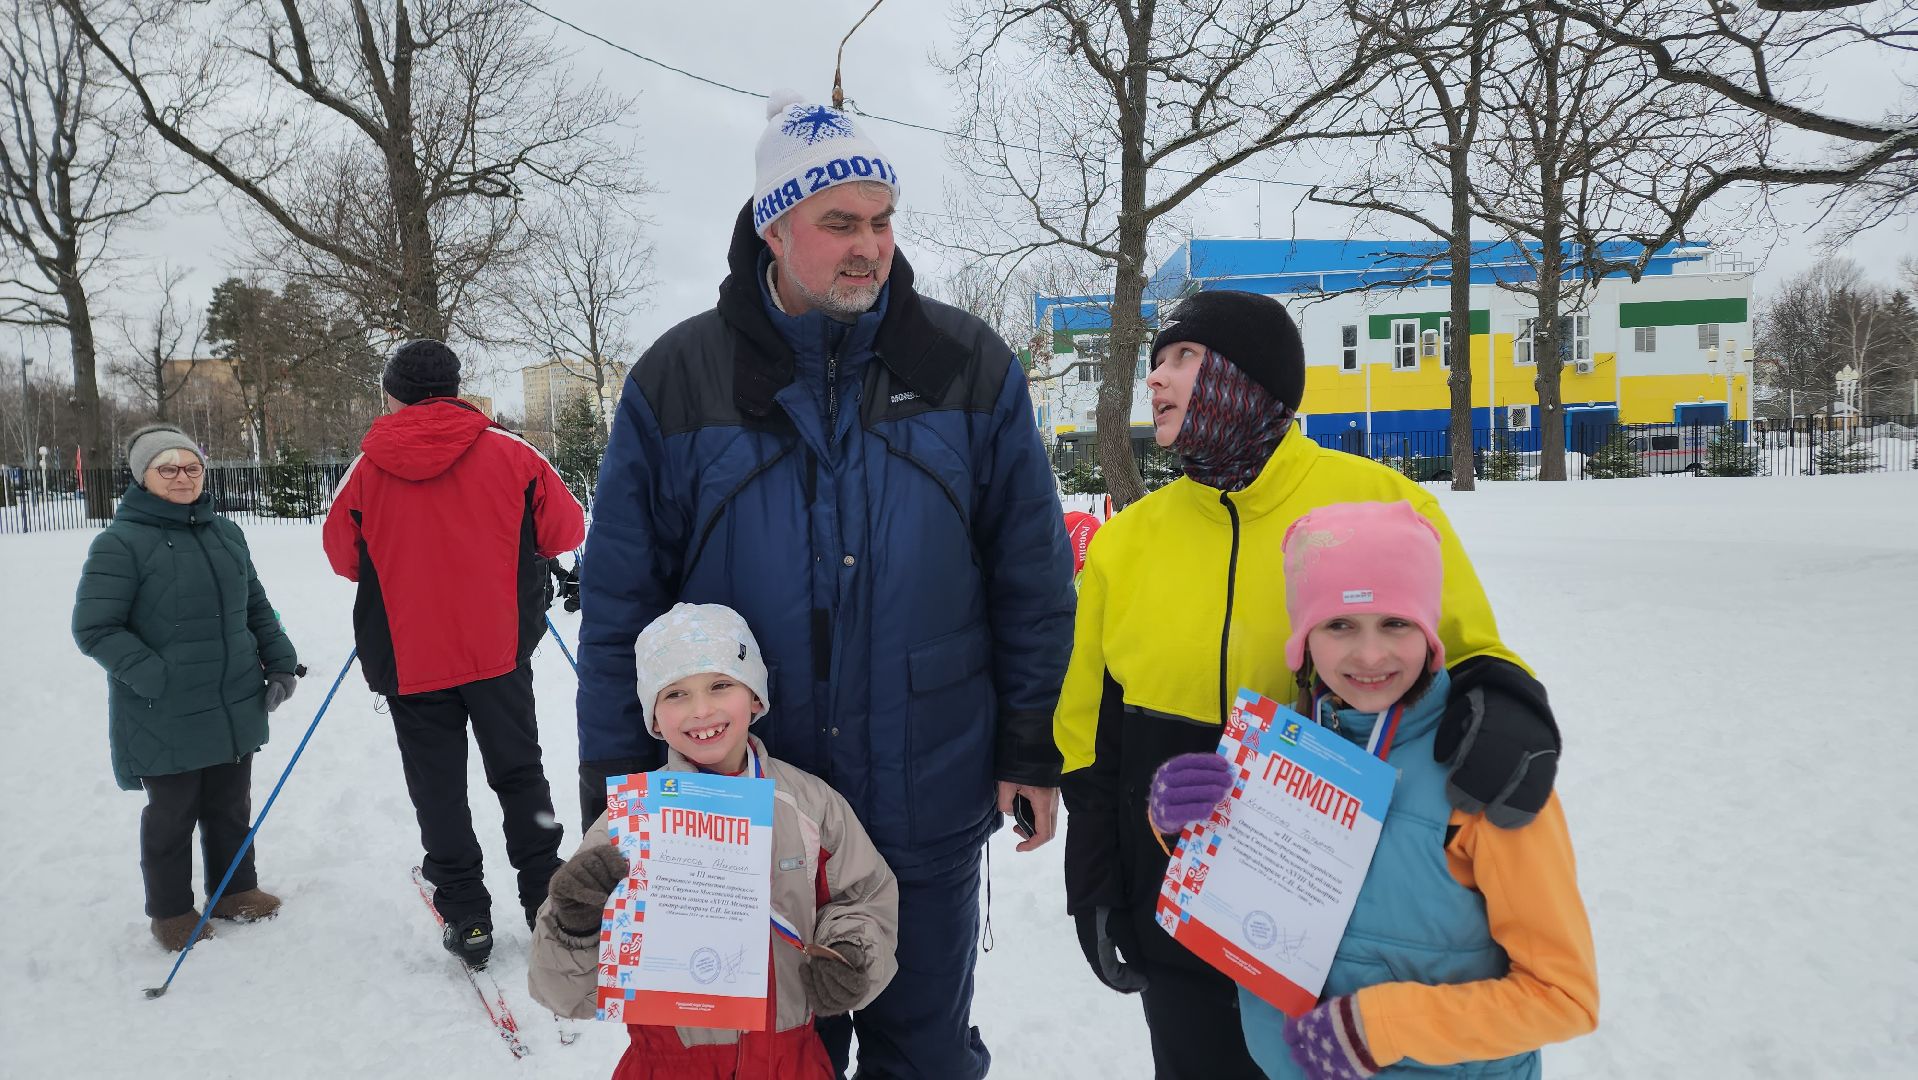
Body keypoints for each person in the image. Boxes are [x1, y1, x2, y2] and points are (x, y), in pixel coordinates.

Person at [572, 91, 1074, 1077]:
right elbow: (621, 608)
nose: (869, 246)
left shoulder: (965, 365)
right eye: (839, 223)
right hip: (740, 812)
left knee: (922, 1050)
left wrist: (1030, 743)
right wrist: (617, 790)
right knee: (759, 1057)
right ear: (774, 226)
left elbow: (1030, 575)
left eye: (881, 222)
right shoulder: (679, 379)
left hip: (923, 788)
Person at [1054, 290, 1564, 1078]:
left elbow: (1470, 654)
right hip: (1178, 900)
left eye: (1182, 358)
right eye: (1154, 363)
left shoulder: (1380, 503)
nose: (1155, 380)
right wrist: (1093, 879)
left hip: (1336, 916)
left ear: (1246, 377)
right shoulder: (1127, 544)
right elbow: (1091, 731)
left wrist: (1509, 707)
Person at [1148, 500, 1598, 1077]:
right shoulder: (1281, 747)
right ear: (1304, 640)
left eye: (1396, 623)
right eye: (1338, 625)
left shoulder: (1486, 774)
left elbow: (1565, 998)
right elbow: (1238, 896)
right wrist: (1184, 823)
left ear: (1431, 634)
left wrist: (1379, 1028)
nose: (1369, 655)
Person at [530, 603, 899, 1078]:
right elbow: (561, 991)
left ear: (756, 699)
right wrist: (576, 923)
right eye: (677, 694)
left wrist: (850, 955)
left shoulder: (809, 806)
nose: (701, 710)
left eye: (720, 685)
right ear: (655, 720)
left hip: (791, 1062)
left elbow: (864, 897)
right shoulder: (631, 823)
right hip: (665, 1065)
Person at [323, 339, 586, 967]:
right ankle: (544, 895)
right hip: (497, 649)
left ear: (394, 393)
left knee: (437, 786)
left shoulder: (367, 467)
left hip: (411, 657)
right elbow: (567, 529)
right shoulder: (512, 452)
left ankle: (466, 912)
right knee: (521, 774)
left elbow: (343, 554)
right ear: (455, 388)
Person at [73, 424, 300, 951]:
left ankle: (234, 891)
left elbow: (255, 606)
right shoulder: (120, 543)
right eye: (168, 468)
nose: (182, 477)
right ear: (144, 476)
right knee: (172, 813)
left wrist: (281, 662)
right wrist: (156, 676)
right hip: (163, 707)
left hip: (232, 696)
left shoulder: (226, 534)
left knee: (230, 803)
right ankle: (172, 912)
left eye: (191, 467)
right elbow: (95, 627)